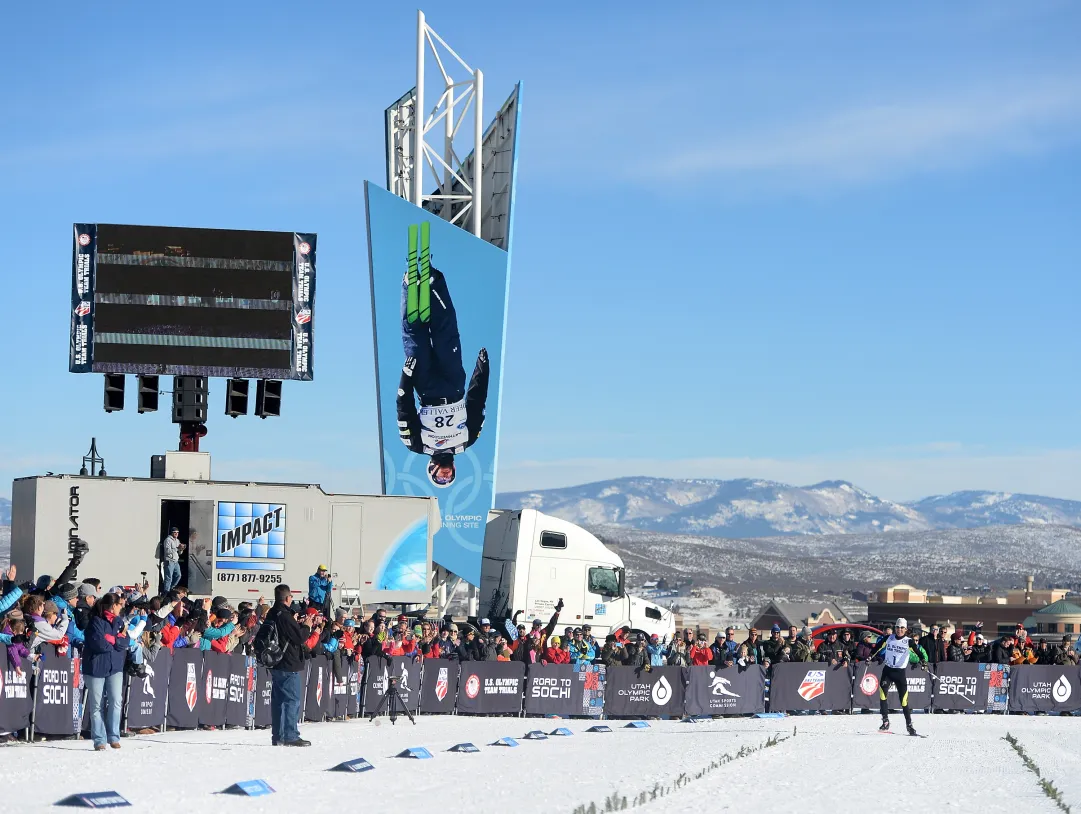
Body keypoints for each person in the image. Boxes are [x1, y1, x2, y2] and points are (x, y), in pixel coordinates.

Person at [395, 237, 490, 488]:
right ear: (455, 470)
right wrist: (482, 369)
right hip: (453, 385)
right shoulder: (466, 441)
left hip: (425, 388)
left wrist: (405, 377)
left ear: (431, 469)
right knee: (446, 334)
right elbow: (477, 401)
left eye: (440, 477)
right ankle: (434, 281)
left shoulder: (416, 444)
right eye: (449, 477)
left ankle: (408, 285)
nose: (445, 474)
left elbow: (403, 409)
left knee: (414, 342)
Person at [262, 584, 312, 747]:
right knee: (292, 700)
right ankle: (290, 735)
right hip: (288, 662)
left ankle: (278, 736)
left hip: (275, 661)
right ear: (287, 598)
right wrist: (307, 626)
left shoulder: (272, 613)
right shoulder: (284, 615)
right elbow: (298, 638)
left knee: (279, 701)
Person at [866, 617, 925, 736]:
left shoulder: (909, 641)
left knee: (903, 701)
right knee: (883, 694)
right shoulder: (889, 638)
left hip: (900, 673)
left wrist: (923, 662)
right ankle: (885, 721)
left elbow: (918, 652)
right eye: (897, 627)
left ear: (906, 629)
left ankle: (909, 726)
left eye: (902, 628)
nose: (899, 630)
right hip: (887, 671)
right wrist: (870, 657)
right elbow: (877, 648)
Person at [84, 593, 128, 750]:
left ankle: (114, 737)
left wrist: (114, 639)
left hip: (115, 666)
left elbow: (126, 641)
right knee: (97, 705)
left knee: (116, 701)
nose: (121, 608)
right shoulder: (95, 621)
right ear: (113, 605)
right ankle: (99, 740)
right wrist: (115, 641)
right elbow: (99, 644)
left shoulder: (119, 622)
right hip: (95, 668)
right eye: (120, 605)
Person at [160, 527, 184, 593]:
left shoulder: (177, 540)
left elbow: (179, 552)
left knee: (178, 575)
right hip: (169, 561)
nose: (176, 534)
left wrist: (181, 549)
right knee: (168, 578)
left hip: (176, 561)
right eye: (175, 532)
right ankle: (166, 592)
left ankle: (171, 588)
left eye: (177, 532)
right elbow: (167, 551)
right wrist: (177, 548)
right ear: (172, 533)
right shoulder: (167, 540)